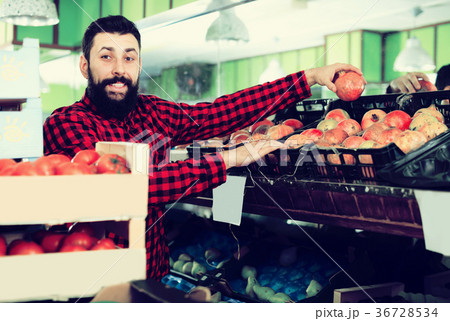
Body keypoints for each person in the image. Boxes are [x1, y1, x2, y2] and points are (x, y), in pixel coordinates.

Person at [43, 15, 364, 280]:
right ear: (85, 66)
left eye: (129, 57)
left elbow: (222, 112)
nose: (118, 69)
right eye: (106, 57)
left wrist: (308, 78)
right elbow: (129, 190)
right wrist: (225, 159)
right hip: (90, 282)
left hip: (151, 280)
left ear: (139, 65)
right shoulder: (67, 124)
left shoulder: (153, 112)